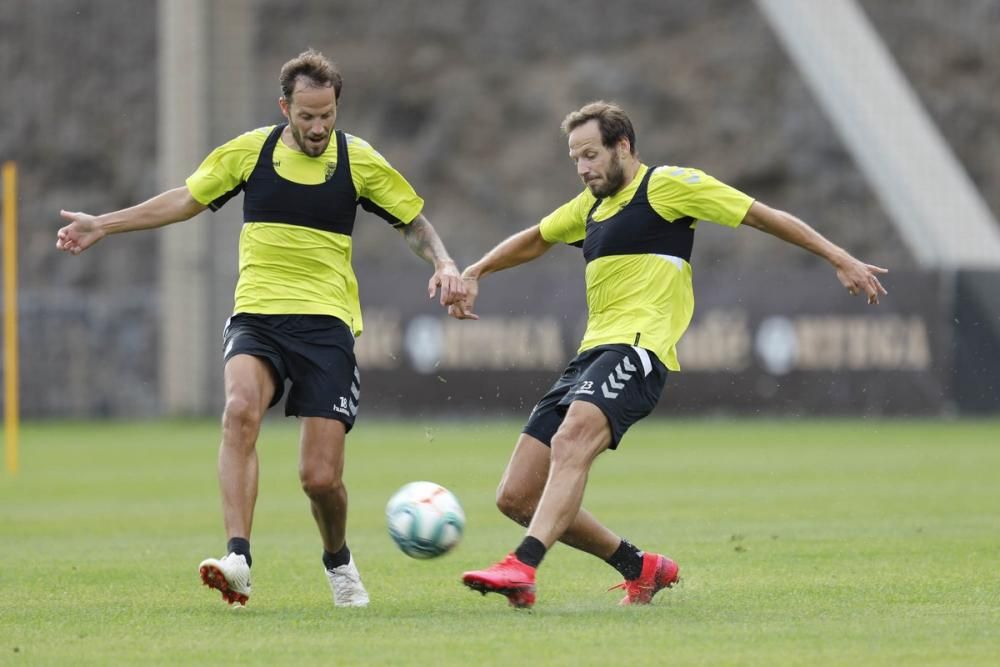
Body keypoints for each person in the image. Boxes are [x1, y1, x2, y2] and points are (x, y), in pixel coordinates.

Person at [56, 49, 465, 608]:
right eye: (306, 116)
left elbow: (414, 222)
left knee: (319, 480)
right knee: (240, 410)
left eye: (327, 115)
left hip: (326, 326)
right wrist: (103, 223)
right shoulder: (251, 152)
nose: (318, 127)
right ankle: (238, 557)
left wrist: (442, 262)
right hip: (258, 315)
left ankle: (338, 560)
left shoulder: (358, 160)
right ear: (285, 108)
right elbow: (184, 199)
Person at [450, 101, 887, 609]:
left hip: (639, 349)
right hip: (590, 356)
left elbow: (763, 218)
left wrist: (839, 256)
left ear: (623, 147)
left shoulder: (669, 186)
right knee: (516, 496)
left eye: (591, 155)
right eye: (575, 159)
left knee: (571, 441)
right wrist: (475, 271)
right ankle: (641, 568)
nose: (584, 167)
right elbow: (536, 239)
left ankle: (522, 566)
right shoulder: (590, 207)